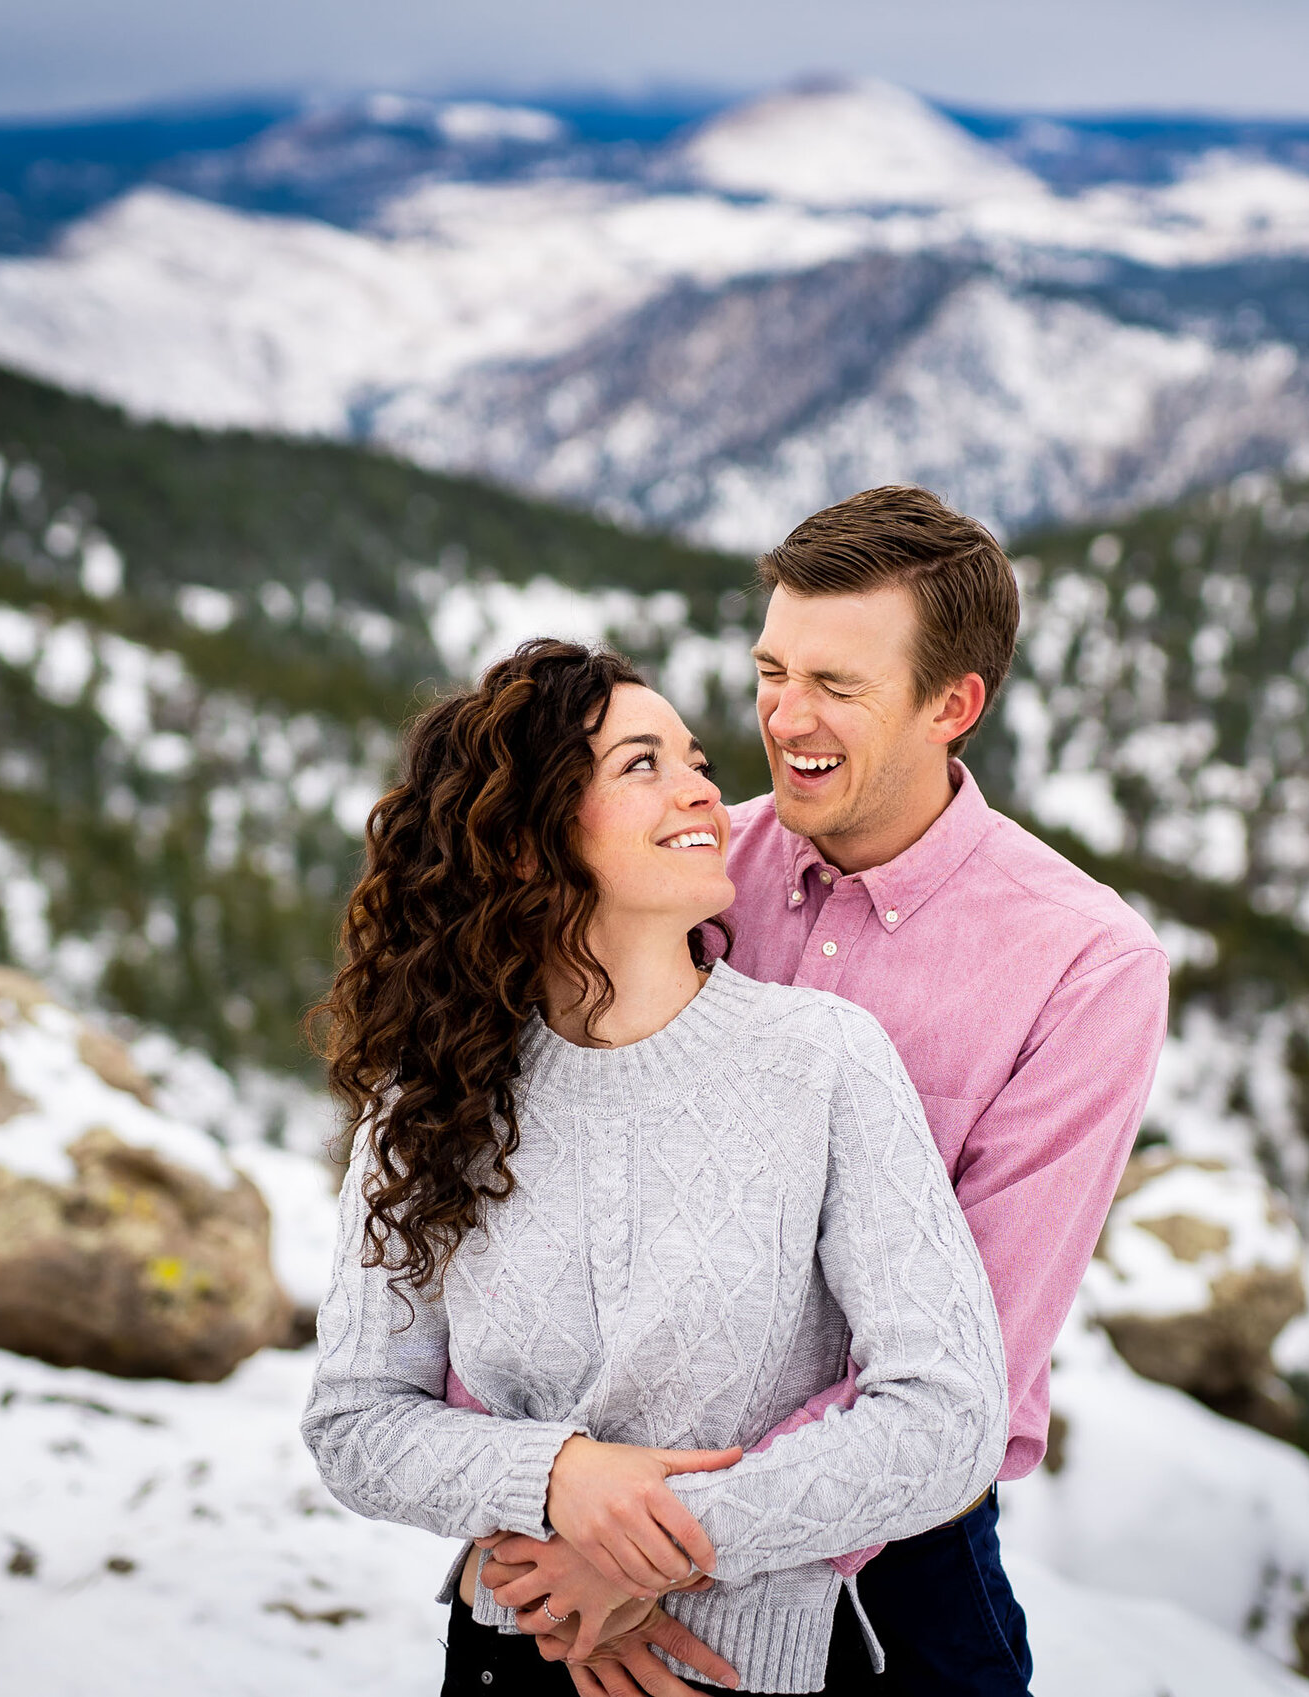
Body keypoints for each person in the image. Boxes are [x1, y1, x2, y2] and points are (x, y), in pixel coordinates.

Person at [489, 487, 1171, 1696]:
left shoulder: (1082, 965)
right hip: (591, 1510)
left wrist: (678, 1547)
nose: (782, 717)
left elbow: (975, 1359)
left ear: (951, 703)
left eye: (836, 685)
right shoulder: (676, 869)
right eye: (770, 669)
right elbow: (532, 1177)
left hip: (888, 1568)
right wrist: (559, 1498)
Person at [301, 639, 1009, 1697]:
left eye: (695, 759)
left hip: (751, 1673)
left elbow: (949, 1414)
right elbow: (356, 1421)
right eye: (642, 764)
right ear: (528, 842)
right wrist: (559, 1477)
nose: (704, 791)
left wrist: (660, 1539)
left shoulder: (821, 1058)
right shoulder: (430, 1098)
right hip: (513, 1657)